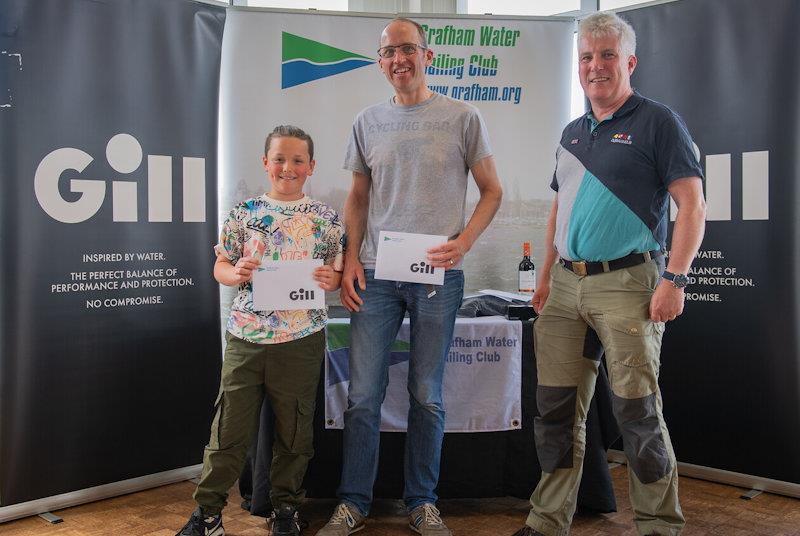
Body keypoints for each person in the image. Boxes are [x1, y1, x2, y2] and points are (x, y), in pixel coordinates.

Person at [511, 11, 706, 536]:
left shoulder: (658, 122)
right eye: (586, 57)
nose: (595, 66)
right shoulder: (572, 133)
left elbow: (693, 207)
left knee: (638, 413)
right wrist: (547, 277)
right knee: (555, 413)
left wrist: (676, 279)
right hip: (565, 287)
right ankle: (548, 520)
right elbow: (559, 212)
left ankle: (659, 525)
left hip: (628, 285)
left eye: (607, 56)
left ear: (629, 61)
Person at [316, 16, 502, 536]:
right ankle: (353, 502)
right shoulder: (366, 121)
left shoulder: (463, 116)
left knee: (427, 394)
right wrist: (350, 258)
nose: (398, 59)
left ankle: (422, 501)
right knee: (362, 396)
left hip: (437, 279)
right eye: (388, 52)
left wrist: (463, 243)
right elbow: (357, 196)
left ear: (428, 55)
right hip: (374, 275)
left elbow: (492, 190)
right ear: (380, 62)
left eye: (407, 49)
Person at [176, 125, 344, 536]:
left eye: (298, 160)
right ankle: (208, 515)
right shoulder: (243, 213)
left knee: (294, 432)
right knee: (228, 429)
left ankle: (286, 510)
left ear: (311, 167)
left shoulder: (326, 219)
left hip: (302, 340)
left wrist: (330, 278)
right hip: (246, 338)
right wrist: (233, 273)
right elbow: (220, 267)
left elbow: (336, 276)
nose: (288, 167)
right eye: (280, 159)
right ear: (265, 163)